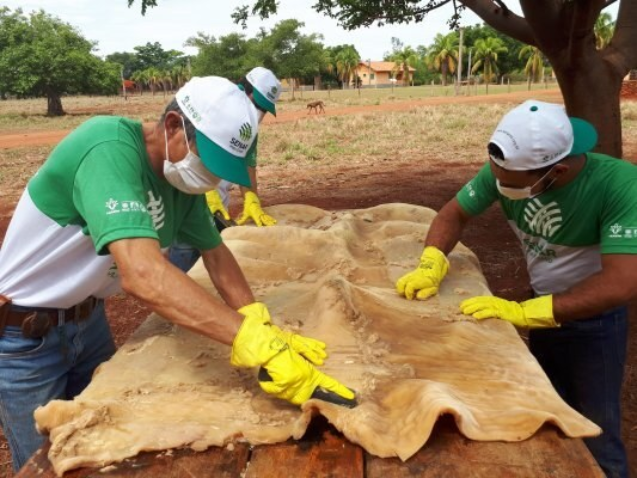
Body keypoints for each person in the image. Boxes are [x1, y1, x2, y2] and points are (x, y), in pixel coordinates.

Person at [0, 76, 353, 472]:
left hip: (89, 322)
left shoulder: (181, 187)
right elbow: (143, 274)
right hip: (25, 337)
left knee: (97, 448)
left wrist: (259, 322)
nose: (213, 180)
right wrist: (251, 341)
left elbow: (216, 254)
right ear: (172, 126)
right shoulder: (106, 149)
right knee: (45, 465)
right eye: (209, 162)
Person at [396, 100, 637, 478]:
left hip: (595, 322)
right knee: (549, 411)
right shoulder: (508, 168)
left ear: (557, 170)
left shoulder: (620, 185)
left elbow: (621, 282)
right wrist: (431, 262)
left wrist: (527, 313)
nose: (501, 188)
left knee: (596, 430)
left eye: (512, 185)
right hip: (543, 305)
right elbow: (453, 214)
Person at [169, 67, 282, 272]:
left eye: (264, 109)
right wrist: (204, 192)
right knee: (184, 256)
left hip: (218, 206)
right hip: (187, 199)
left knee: (213, 260)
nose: (259, 113)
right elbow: (186, 150)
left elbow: (248, 164)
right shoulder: (214, 108)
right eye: (257, 105)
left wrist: (252, 199)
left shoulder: (248, 129)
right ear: (245, 90)